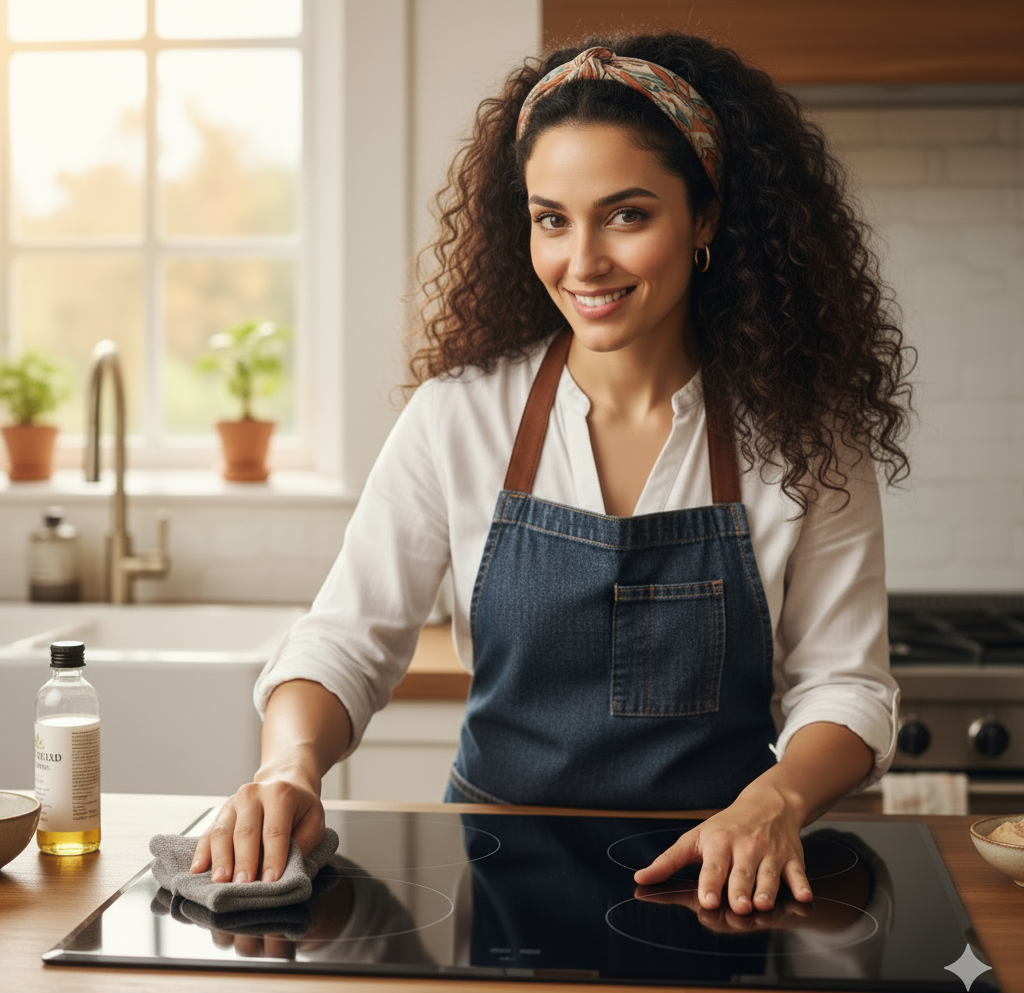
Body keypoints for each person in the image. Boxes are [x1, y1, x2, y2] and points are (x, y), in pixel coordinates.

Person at [190, 32, 912, 916]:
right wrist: (287, 766)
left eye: (627, 214)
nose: (583, 263)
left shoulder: (805, 435)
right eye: (552, 218)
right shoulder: (459, 417)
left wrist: (778, 799)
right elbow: (345, 638)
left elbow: (845, 683)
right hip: (498, 882)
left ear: (708, 219)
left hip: (725, 883)